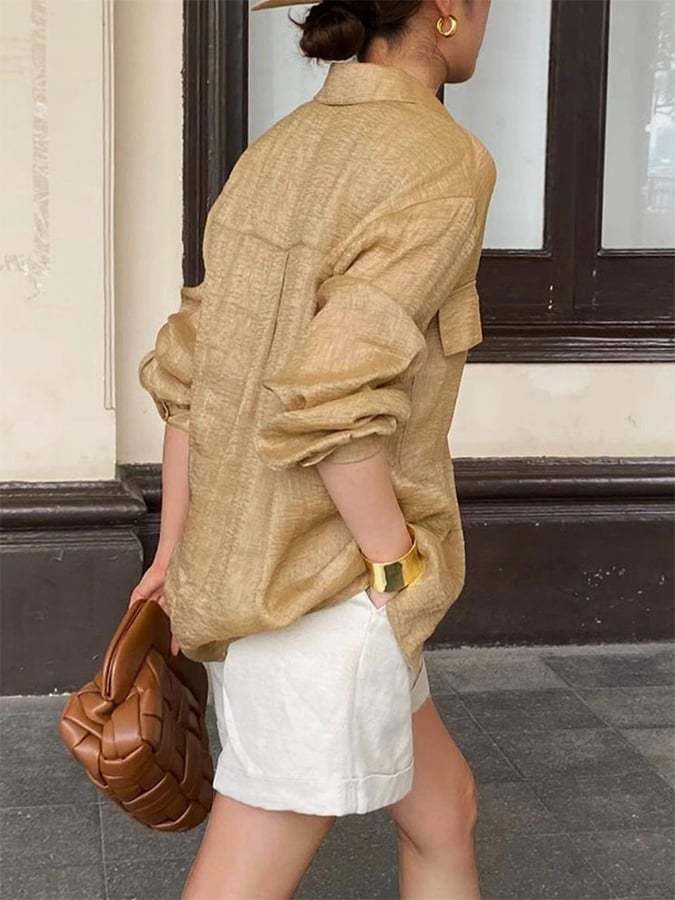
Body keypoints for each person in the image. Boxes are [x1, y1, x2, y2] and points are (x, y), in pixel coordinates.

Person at [131, 0, 495, 896]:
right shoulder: (443, 159)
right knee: (242, 874)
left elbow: (191, 368)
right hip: (328, 586)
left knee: (443, 810)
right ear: (445, 11)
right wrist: (395, 564)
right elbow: (332, 396)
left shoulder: (279, 148)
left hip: (257, 566)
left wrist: (173, 549)